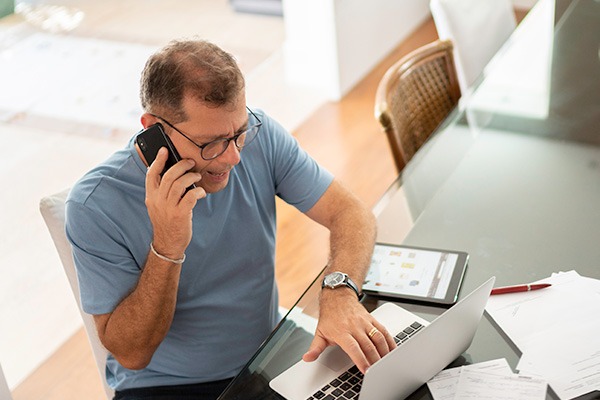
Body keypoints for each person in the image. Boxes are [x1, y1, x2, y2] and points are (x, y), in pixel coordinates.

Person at [65, 39, 396, 399]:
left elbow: (350, 212)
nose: (233, 158)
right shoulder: (95, 204)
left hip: (268, 358)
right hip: (167, 387)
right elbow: (132, 354)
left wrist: (339, 293)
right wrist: (167, 245)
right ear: (152, 129)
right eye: (212, 143)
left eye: (238, 133)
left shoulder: (260, 135)